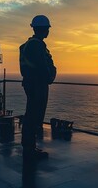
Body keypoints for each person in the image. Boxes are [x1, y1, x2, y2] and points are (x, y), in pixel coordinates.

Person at [19, 14, 57, 161]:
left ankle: (29, 146)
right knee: (35, 115)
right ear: (43, 29)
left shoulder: (30, 44)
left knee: (31, 114)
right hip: (38, 84)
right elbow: (42, 67)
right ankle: (29, 149)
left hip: (32, 83)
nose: (48, 31)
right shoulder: (37, 45)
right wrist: (51, 76)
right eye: (47, 28)